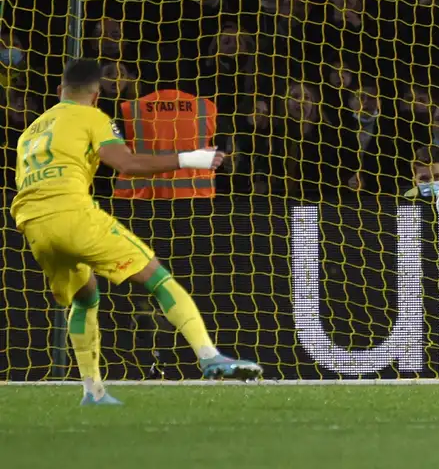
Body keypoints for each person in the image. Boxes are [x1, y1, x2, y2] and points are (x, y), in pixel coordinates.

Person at [10, 59, 262, 406]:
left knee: (85, 297)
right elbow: (127, 164)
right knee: (158, 278)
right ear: (96, 95)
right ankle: (209, 355)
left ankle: (93, 392)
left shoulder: (31, 131)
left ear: (60, 92)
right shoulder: (93, 117)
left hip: (34, 225)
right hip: (73, 214)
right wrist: (191, 159)